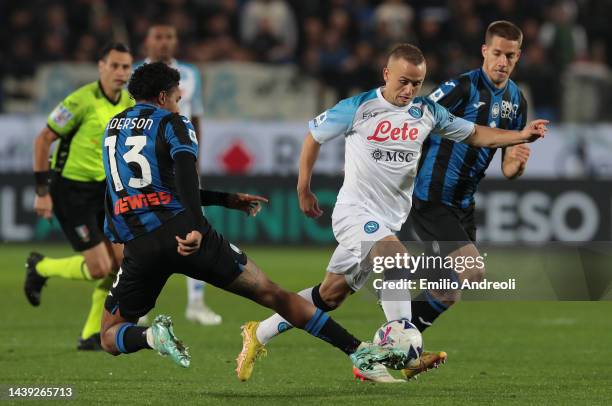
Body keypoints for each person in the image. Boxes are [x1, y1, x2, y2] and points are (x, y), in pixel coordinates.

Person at [236, 43, 548, 382]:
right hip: (355, 212)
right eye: (403, 81)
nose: (409, 90)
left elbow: (475, 135)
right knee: (396, 258)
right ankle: (402, 350)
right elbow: (313, 137)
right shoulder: (359, 107)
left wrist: (519, 135)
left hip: (387, 220)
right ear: (386, 74)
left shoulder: (427, 111)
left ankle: (258, 333)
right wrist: (303, 188)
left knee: (330, 294)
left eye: (417, 83)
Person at [99, 61, 406, 375]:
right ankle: (357, 351)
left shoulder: (112, 129)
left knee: (109, 334)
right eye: (177, 98)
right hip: (185, 233)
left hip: (140, 244)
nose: (179, 104)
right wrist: (194, 226)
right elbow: (185, 179)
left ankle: (151, 336)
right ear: (164, 97)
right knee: (271, 293)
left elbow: (120, 190)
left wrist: (226, 200)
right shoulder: (174, 123)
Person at [409, 21, 530, 333]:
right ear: (485, 51)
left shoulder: (517, 102)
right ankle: (394, 337)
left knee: (447, 292)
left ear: (518, 57)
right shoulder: (462, 87)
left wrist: (516, 166)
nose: (503, 62)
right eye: (498, 53)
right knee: (473, 269)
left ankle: (394, 341)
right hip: (433, 197)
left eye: (511, 56)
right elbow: (415, 119)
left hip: (463, 205)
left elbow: (507, 168)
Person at [24, 43, 134, 351]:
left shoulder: (128, 101)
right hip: (70, 191)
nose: (121, 73)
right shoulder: (80, 101)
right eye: (115, 66)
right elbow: (43, 139)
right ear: (101, 67)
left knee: (121, 263)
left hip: (105, 191)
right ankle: (40, 267)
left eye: (126, 67)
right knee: (100, 268)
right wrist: (42, 191)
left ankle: (91, 335)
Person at [135, 21, 221, 325]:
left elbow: (195, 118)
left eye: (169, 36)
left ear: (175, 41)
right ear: (147, 41)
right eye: (158, 36)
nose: (163, 42)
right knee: (144, 229)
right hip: (145, 163)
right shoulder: (134, 73)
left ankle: (196, 303)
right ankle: (140, 304)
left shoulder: (190, 74)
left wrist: (195, 160)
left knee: (194, 225)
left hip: (179, 159)